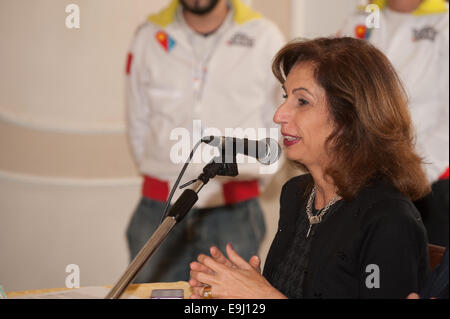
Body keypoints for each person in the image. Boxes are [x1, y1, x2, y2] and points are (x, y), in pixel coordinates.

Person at [189, 37, 431, 299]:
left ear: (350, 117)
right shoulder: (297, 194)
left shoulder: (389, 219)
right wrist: (240, 290)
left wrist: (262, 296)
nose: (279, 114)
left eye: (302, 101)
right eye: (285, 96)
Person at [125, 0, 285, 283]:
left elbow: (277, 122)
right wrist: (169, 171)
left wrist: (248, 179)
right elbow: (137, 118)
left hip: (235, 210)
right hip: (157, 208)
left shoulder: (264, 35)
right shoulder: (148, 35)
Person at [338, 0, 449, 247]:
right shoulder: (361, 17)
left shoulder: (444, 21)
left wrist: (410, 172)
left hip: (431, 185)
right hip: (363, 180)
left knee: (428, 280)